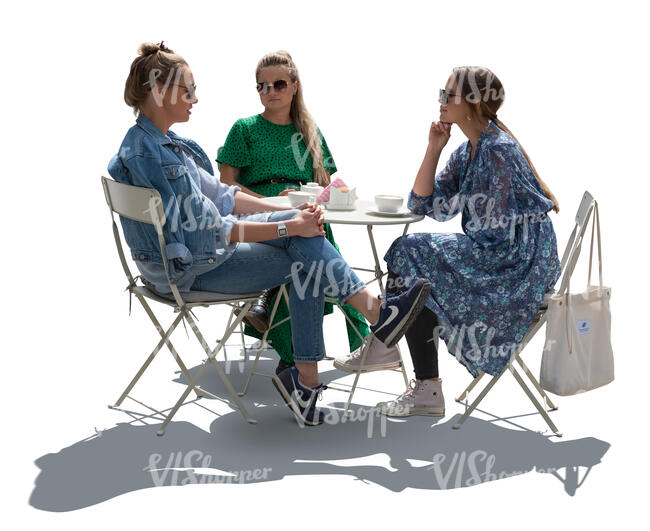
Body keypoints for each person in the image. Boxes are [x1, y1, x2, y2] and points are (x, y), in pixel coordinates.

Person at [107, 42, 431, 426]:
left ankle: (316, 372)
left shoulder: (164, 146)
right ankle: (370, 320)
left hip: (186, 259)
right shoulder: (152, 156)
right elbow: (208, 231)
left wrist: (286, 210)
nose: (195, 98)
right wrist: (290, 225)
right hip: (188, 269)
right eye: (188, 90)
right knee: (305, 254)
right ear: (159, 91)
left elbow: (223, 197)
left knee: (305, 241)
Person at [335, 66, 562, 417]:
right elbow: (421, 203)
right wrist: (434, 148)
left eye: (447, 95)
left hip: (520, 262)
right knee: (417, 266)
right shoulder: (470, 149)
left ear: (472, 102)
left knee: (413, 254)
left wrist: (444, 254)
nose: (440, 101)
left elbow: (495, 234)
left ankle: (391, 349)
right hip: (503, 252)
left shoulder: (496, 150)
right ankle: (412, 373)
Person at [217, 51, 369, 375]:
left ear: (295, 86)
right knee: (307, 258)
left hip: (307, 212)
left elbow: (327, 183)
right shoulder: (244, 129)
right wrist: (274, 201)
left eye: (278, 83)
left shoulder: (310, 132)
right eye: (262, 86)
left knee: (328, 254)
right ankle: (303, 361)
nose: (270, 91)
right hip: (259, 214)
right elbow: (226, 186)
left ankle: (363, 343)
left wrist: (328, 199)